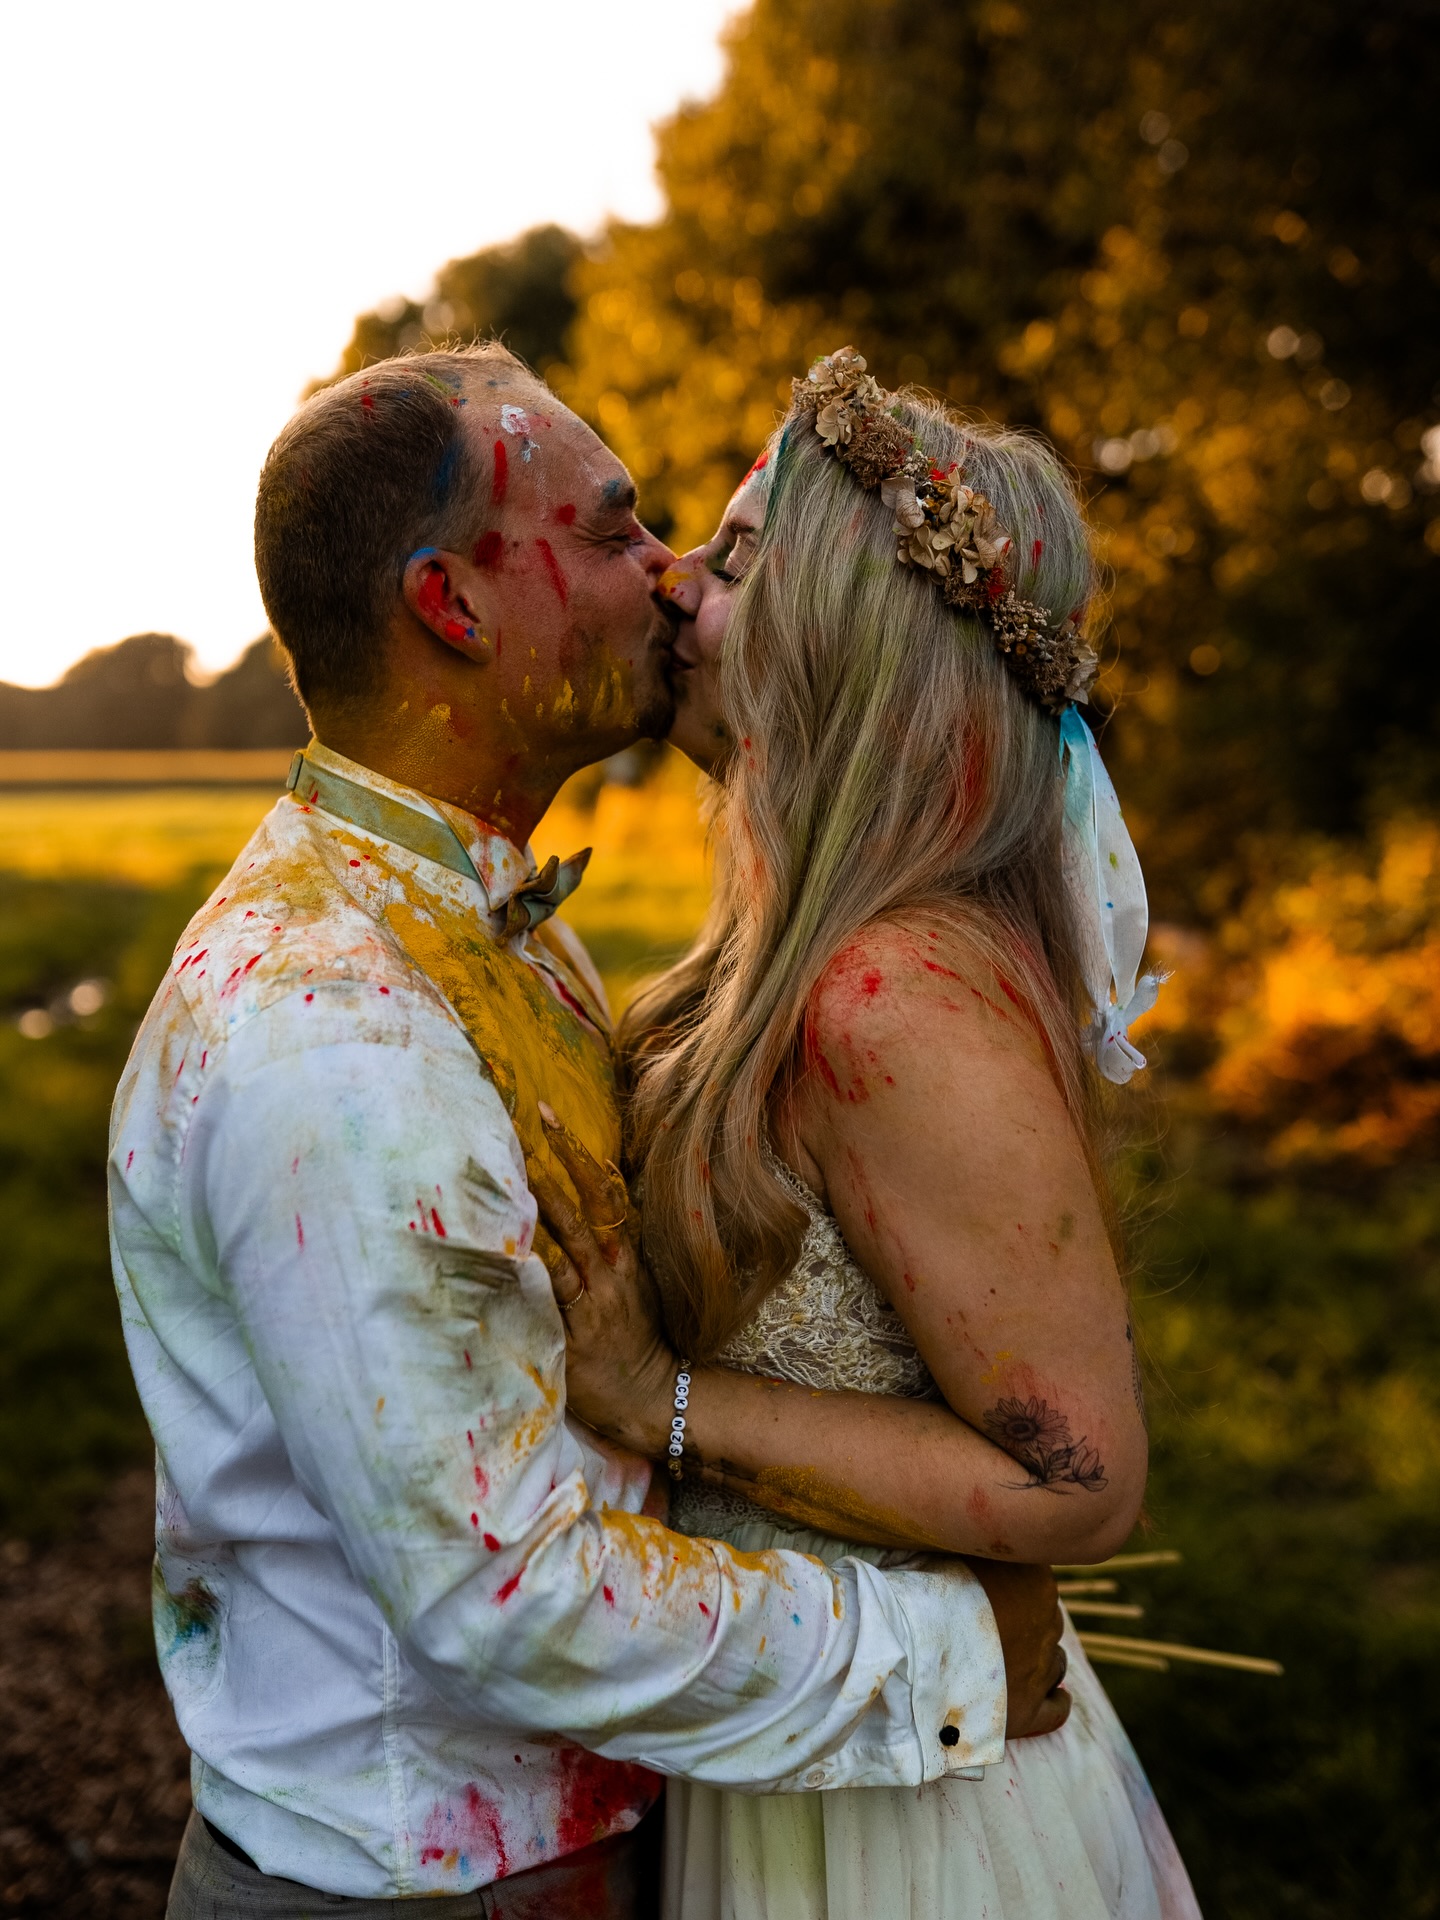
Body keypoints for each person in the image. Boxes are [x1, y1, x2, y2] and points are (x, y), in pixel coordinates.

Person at [108, 342, 1071, 1920]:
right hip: (429, 1886)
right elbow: (503, 1590)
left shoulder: (499, 922)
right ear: (453, 607)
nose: (671, 572)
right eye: (617, 530)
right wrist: (948, 1656)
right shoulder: (337, 1034)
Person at [528, 350, 1202, 1918]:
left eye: (742, 560)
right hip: (803, 1728)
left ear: (850, 632)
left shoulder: (890, 996)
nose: (677, 584)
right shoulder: (791, 953)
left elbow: (1082, 1482)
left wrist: (663, 1402)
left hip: (906, 1821)